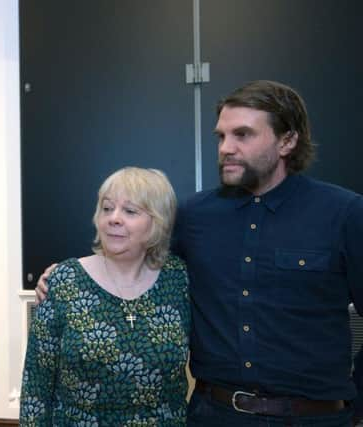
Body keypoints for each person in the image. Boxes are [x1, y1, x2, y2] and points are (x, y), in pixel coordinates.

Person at [36, 81, 363, 426]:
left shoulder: (343, 213)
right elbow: (137, 266)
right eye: (221, 137)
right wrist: (66, 276)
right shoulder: (193, 216)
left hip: (314, 419)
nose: (226, 148)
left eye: (242, 135)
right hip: (214, 414)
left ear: (287, 141)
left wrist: (357, 404)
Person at [20, 167, 190, 426]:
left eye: (130, 211)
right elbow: (37, 384)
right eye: (107, 208)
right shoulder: (65, 280)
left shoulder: (178, 278)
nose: (114, 218)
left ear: (158, 222)